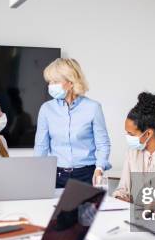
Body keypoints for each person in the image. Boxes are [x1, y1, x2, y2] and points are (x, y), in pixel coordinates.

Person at [34, 58, 111, 187]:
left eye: (55, 81)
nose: (50, 85)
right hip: (56, 175)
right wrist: (36, 172)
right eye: (49, 81)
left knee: (85, 208)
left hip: (86, 174)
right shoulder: (46, 109)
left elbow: (103, 144)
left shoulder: (93, 108)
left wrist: (99, 169)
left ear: (71, 82)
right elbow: (41, 146)